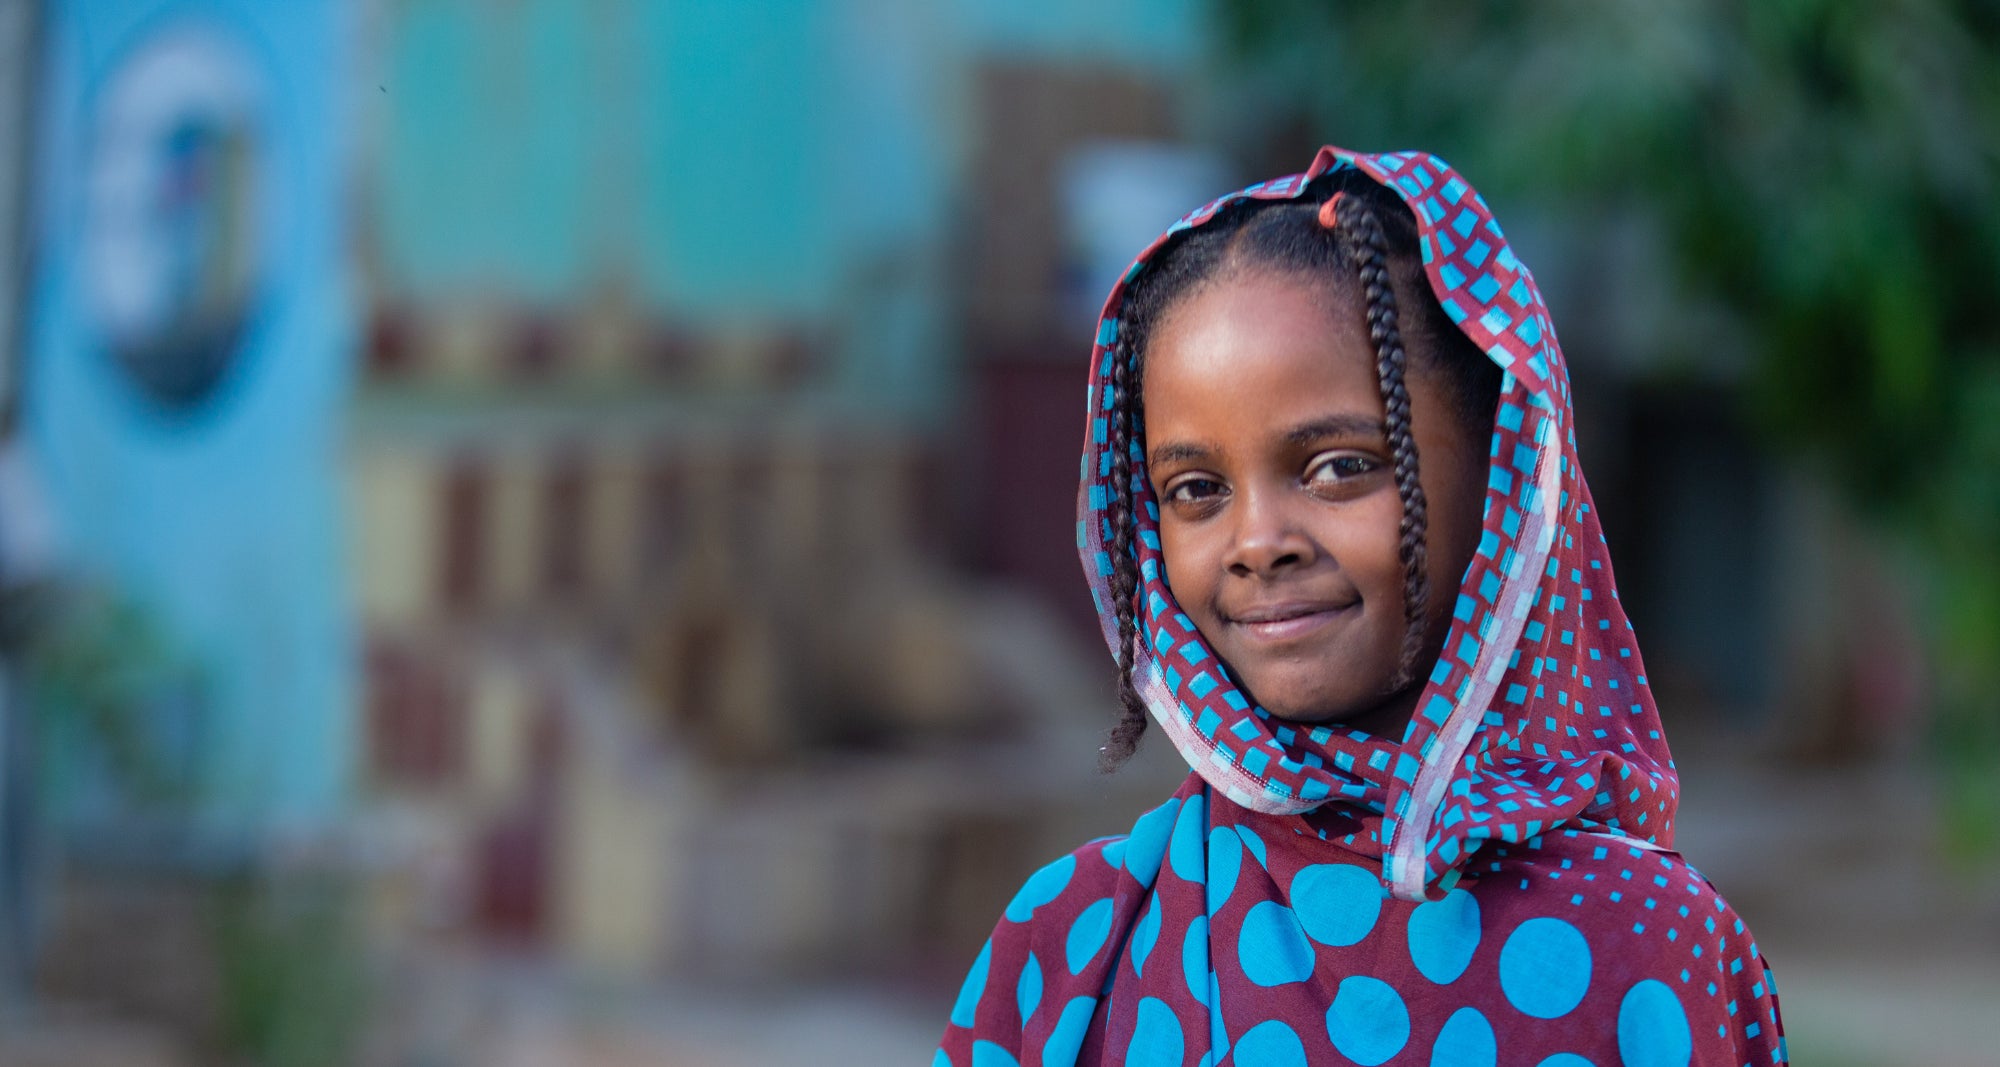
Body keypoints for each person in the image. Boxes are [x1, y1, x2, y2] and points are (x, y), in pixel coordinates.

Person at [935, 146, 1787, 1066]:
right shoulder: (1073, 946)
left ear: (1501, 473)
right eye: (1195, 489)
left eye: (1339, 467)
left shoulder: (1648, 953)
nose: (1259, 540)